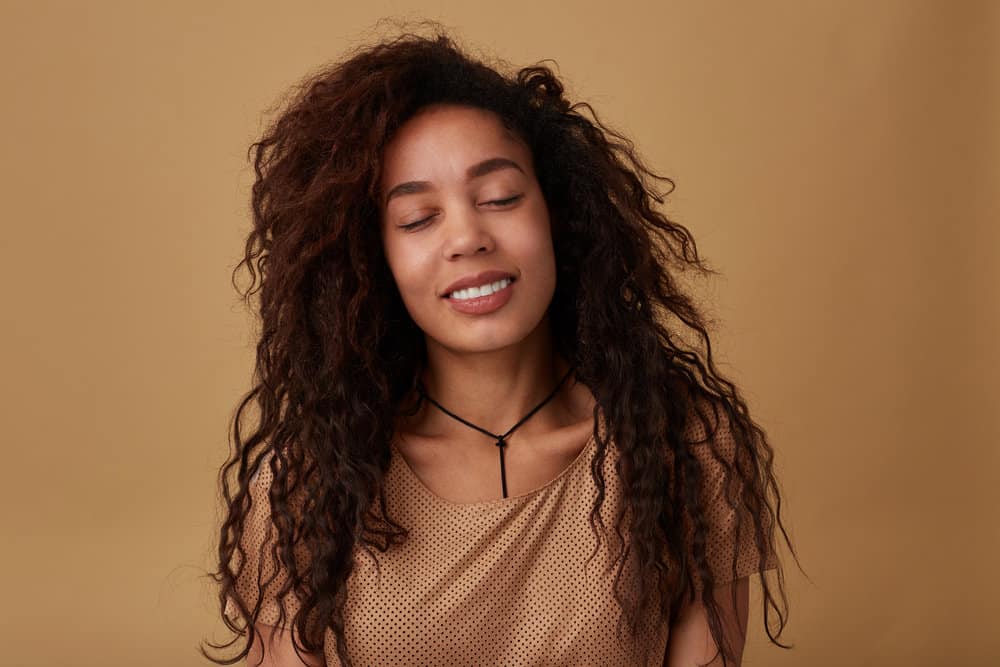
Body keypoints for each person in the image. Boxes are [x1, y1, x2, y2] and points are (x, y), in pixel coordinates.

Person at [202, 23, 796, 667]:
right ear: (372, 260)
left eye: (500, 197)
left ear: (558, 214)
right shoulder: (306, 486)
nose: (467, 237)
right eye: (418, 218)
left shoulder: (682, 447)